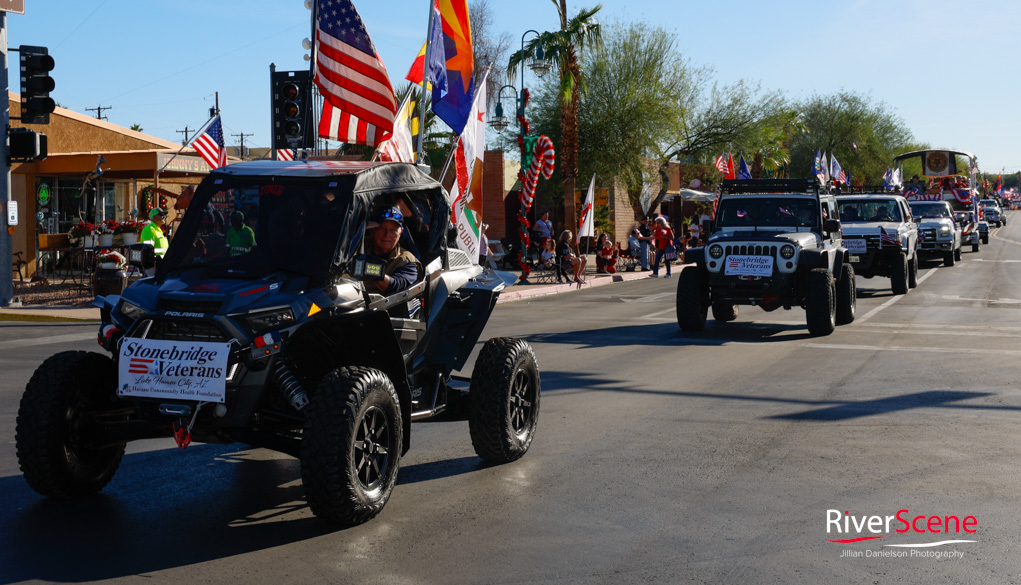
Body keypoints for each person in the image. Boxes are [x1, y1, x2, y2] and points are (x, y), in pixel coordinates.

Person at [364, 206, 422, 295]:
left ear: (401, 232)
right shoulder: (355, 246)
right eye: (382, 228)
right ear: (372, 229)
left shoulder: (407, 260)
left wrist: (368, 269)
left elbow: (395, 286)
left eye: (393, 230)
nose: (387, 235)